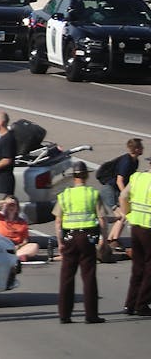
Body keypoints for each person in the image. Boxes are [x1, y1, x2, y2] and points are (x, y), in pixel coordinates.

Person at [55, 161, 108, 324]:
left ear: (73, 177)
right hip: (87, 238)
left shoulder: (65, 195)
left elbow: (58, 221)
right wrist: (103, 240)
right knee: (89, 276)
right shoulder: (93, 194)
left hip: (69, 238)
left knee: (66, 277)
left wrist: (60, 243)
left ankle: (65, 315)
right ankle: (91, 315)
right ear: (86, 175)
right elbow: (102, 220)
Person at [120, 150, 151, 315]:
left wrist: (128, 216)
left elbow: (123, 197)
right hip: (149, 229)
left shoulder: (138, 177)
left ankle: (130, 303)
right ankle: (142, 304)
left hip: (136, 227)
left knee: (138, 266)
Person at [102, 137, 142, 262]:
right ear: (136, 149)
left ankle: (111, 241)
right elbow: (120, 180)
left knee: (122, 216)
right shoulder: (126, 161)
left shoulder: (134, 161)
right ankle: (110, 241)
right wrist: (125, 194)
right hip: (111, 190)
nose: (143, 149)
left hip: (116, 191)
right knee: (122, 216)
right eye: (141, 147)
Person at [0, 196, 39, 262]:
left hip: (15, 248)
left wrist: (18, 246)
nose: (11, 207)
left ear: (17, 208)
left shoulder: (22, 222)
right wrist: (4, 201)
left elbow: (25, 240)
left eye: (13, 205)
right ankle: (13, 257)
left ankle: (14, 257)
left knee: (34, 246)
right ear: (5, 207)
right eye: (9, 205)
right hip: (1, 245)